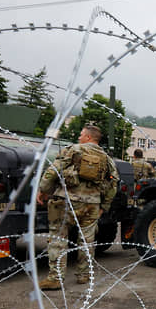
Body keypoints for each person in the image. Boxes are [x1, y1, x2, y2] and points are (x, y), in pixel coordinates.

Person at [37, 123, 118, 290]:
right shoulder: (107, 158)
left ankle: (55, 278)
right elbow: (113, 183)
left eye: (81, 135)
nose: (79, 137)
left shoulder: (73, 149)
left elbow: (53, 171)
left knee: (58, 239)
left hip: (67, 201)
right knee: (87, 240)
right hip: (92, 204)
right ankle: (84, 275)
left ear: (88, 137)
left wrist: (43, 190)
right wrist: (105, 205)